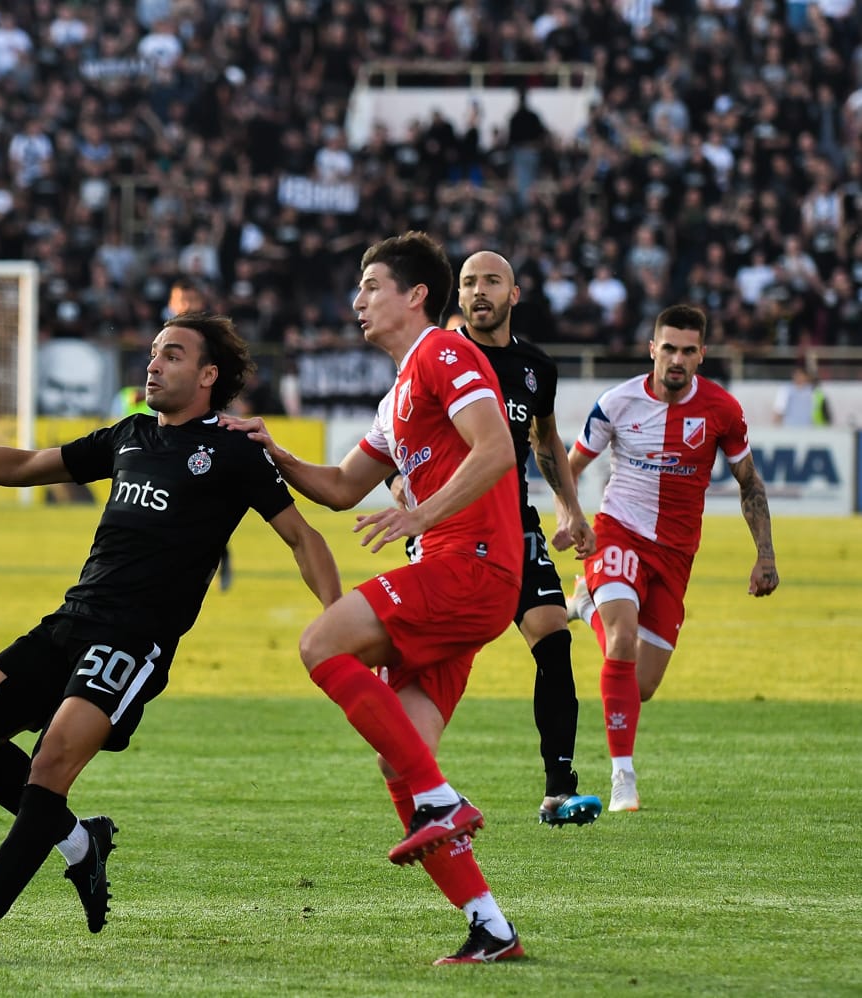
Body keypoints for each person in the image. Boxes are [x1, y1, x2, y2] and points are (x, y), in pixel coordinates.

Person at [0, 312, 341, 965]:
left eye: (172, 354)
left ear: (207, 375)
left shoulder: (232, 451)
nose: (153, 362)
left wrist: (339, 618)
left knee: (51, 765)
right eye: (153, 352)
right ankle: (81, 844)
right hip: (71, 620)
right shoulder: (130, 435)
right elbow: (28, 463)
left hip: (134, 640)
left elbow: (301, 538)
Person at [223, 231, 527, 965]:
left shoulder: (446, 352)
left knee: (320, 642)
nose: (357, 300)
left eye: (370, 285)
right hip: (462, 582)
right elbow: (340, 488)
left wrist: (422, 515)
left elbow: (497, 450)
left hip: (471, 564)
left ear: (416, 295)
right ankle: (491, 927)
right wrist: (276, 450)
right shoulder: (397, 395)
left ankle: (442, 801)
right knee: (403, 759)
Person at [566, 304, 779, 813]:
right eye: (669, 348)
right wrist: (568, 516)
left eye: (688, 350)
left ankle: (585, 604)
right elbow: (569, 467)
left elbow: (749, 483)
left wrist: (765, 556)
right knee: (620, 642)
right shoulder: (617, 403)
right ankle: (623, 779)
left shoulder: (723, 410)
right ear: (652, 349)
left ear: (701, 354)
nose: (677, 359)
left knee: (640, 686)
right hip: (616, 534)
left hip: (676, 554)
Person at [431, 251, 603, 827]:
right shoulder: (438, 357)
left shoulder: (535, 367)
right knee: (440, 654)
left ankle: (559, 789)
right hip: (449, 526)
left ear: (515, 293)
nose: (479, 291)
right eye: (469, 282)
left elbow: (545, 441)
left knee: (553, 639)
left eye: (491, 281)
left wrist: (571, 509)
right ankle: (417, 780)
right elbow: (395, 428)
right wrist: (401, 481)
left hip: (513, 523)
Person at [166, 276, 234, 591]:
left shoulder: (208, 341)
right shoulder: (163, 337)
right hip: (167, 432)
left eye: (192, 300)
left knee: (204, 500)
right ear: (171, 302)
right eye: (182, 299)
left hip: (204, 431)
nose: (187, 306)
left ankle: (219, 558)